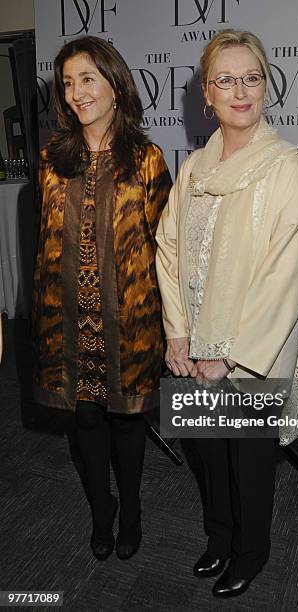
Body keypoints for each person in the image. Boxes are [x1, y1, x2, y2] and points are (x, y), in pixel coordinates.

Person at [156, 29, 298, 598]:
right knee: (210, 456)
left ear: (266, 85)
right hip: (195, 345)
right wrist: (178, 333)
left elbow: (286, 273)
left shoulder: (288, 167)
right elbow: (168, 250)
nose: (240, 90)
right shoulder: (195, 169)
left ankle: (252, 552)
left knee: (248, 464)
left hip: (250, 354)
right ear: (208, 94)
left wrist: (227, 353)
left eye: (251, 77)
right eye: (226, 80)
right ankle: (219, 539)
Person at [33, 36, 172, 561]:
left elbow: (167, 250)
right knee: (85, 418)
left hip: (129, 319)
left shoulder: (147, 159)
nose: (75, 93)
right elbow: (42, 248)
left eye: (87, 79)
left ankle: (131, 510)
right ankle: (102, 510)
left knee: (127, 420)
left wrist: (171, 326)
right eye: (67, 83)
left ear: (115, 84)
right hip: (68, 320)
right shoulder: (51, 159)